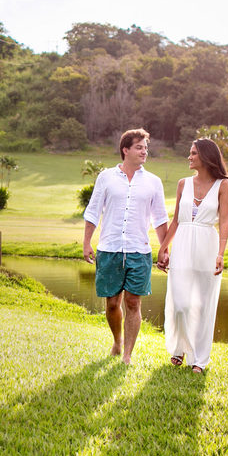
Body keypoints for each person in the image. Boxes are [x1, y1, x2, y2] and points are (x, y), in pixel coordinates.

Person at [83, 128, 169, 365]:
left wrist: (164, 250)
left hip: (139, 251)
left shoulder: (153, 182)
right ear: (125, 150)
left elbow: (160, 219)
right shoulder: (106, 177)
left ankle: (127, 355)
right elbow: (93, 211)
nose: (144, 152)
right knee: (112, 303)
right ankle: (117, 341)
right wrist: (86, 242)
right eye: (139, 147)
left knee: (133, 302)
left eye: (146, 148)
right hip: (109, 249)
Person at [156, 137, 228, 373]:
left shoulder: (223, 185)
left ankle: (199, 360)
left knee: (203, 305)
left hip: (207, 247)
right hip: (182, 246)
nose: (188, 157)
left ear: (206, 156)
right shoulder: (183, 184)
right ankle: (179, 347)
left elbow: (224, 222)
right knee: (180, 303)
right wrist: (163, 248)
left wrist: (221, 254)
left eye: (193, 153)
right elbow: (176, 221)